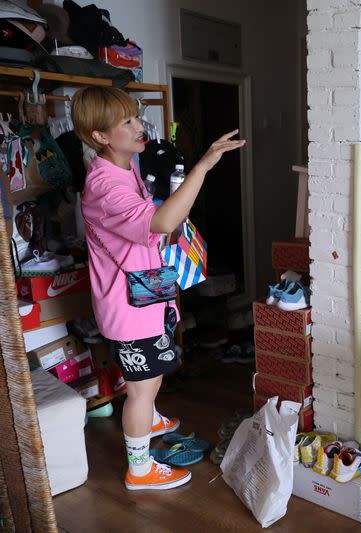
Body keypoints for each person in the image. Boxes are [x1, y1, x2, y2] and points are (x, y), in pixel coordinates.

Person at [72, 87, 245, 490]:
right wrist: (202, 166)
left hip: (146, 291)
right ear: (99, 135)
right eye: (127, 122)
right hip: (128, 307)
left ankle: (148, 417)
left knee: (152, 379)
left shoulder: (125, 166)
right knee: (140, 389)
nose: (139, 127)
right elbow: (163, 222)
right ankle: (140, 468)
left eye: (136, 117)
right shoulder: (104, 186)